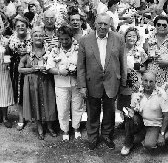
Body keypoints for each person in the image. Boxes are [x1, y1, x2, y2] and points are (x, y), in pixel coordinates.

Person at [77, 13, 127, 150]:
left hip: (112, 82)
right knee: (92, 111)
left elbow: (123, 62)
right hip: (92, 82)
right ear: (95, 24)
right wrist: (82, 86)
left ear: (110, 25)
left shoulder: (119, 39)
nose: (103, 27)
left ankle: (106, 135)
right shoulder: (84, 40)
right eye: (100, 23)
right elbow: (80, 66)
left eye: (106, 24)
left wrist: (123, 81)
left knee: (109, 111)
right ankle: (93, 137)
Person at [18, 26, 57, 140]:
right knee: (35, 102)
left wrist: (48, 68)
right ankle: (39, 126)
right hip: (33, 82)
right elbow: (20, 69)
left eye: (40, 35)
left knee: (49, 102)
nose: (38, 37)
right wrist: (31, 69)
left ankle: (50, 126)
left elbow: (55, 64)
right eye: (36, 35)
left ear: (44, 37)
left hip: (46, 80)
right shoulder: (27, 52)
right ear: (32, 37)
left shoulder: (49, 50)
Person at [120, 72, 168, 156]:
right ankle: (127, 144)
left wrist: (162, 134)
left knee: (149, 145)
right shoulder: (137, 92)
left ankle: (145, 136)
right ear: (142, 81)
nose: (148, 84)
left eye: (151, 81)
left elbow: (166, 116)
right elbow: (132, 110)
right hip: (142, 121)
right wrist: (129, 113)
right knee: (129, 119)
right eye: (145, 81)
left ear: (155, 82)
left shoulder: (161, 94)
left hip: (154, 124)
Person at [47, 25, 83, 141]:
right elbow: (49, 68)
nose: (64, 41)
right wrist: (59, 71)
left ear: (71, 38)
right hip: (61, 84)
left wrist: (76, 71)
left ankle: (76, 128)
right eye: (61, 39)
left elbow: (84, 65)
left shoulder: (78, 49)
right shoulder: (54, 51)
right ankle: (65, 129)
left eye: (66, 39)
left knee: (77, 106)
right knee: (63, 108)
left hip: (76, 83)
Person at [117, 27, 147, 125]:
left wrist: (136, 68)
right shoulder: (120, 50)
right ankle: (125, 121)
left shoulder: (140, 50)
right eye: (129, 36)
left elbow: (145, 68)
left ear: (137, 38)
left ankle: (134, 122)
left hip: (136, 79)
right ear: (125, 37)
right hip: (123, 79)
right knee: (124, 101)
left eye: (134, 36)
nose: (131, 38)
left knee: (135, 99)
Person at [144, 16, 168, 87]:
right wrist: (148, 58)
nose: (161, 27)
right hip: (151, 77)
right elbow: (143, 57)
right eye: (158, 24)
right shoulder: (148, 40)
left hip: (167, 76)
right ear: (155, 26)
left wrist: (167, 62)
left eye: (164, 25)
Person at [8, 17, 31, 130]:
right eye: (18, 26)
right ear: (15, 28)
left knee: (32, 90)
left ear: (27, 26)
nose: (21, 27)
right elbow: (8, 54)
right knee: (19, 92)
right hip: (17, 67)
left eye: (23, 25)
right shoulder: (12, 39)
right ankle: (21, 117)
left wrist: (28, 51)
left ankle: (34, 116)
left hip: (31, 65)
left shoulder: (33, 36)